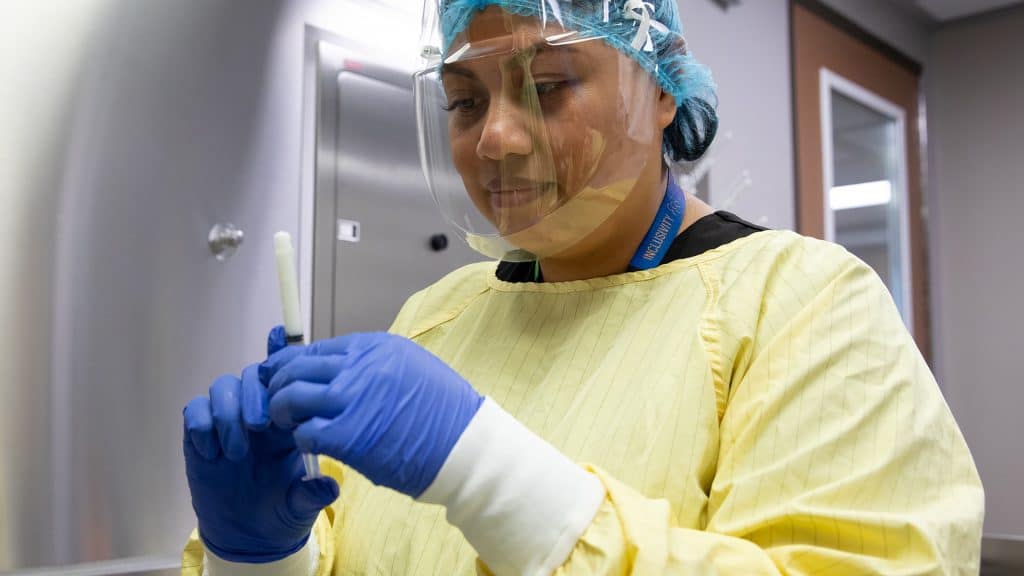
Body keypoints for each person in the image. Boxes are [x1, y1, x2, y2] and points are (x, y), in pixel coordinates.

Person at [182, 1, 983, 574]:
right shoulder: (436, 317)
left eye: (550, 85)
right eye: (464, 101)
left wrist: (485, 473)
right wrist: (258, 555)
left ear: (662, 91)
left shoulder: (806, 307)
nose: (493, 137)